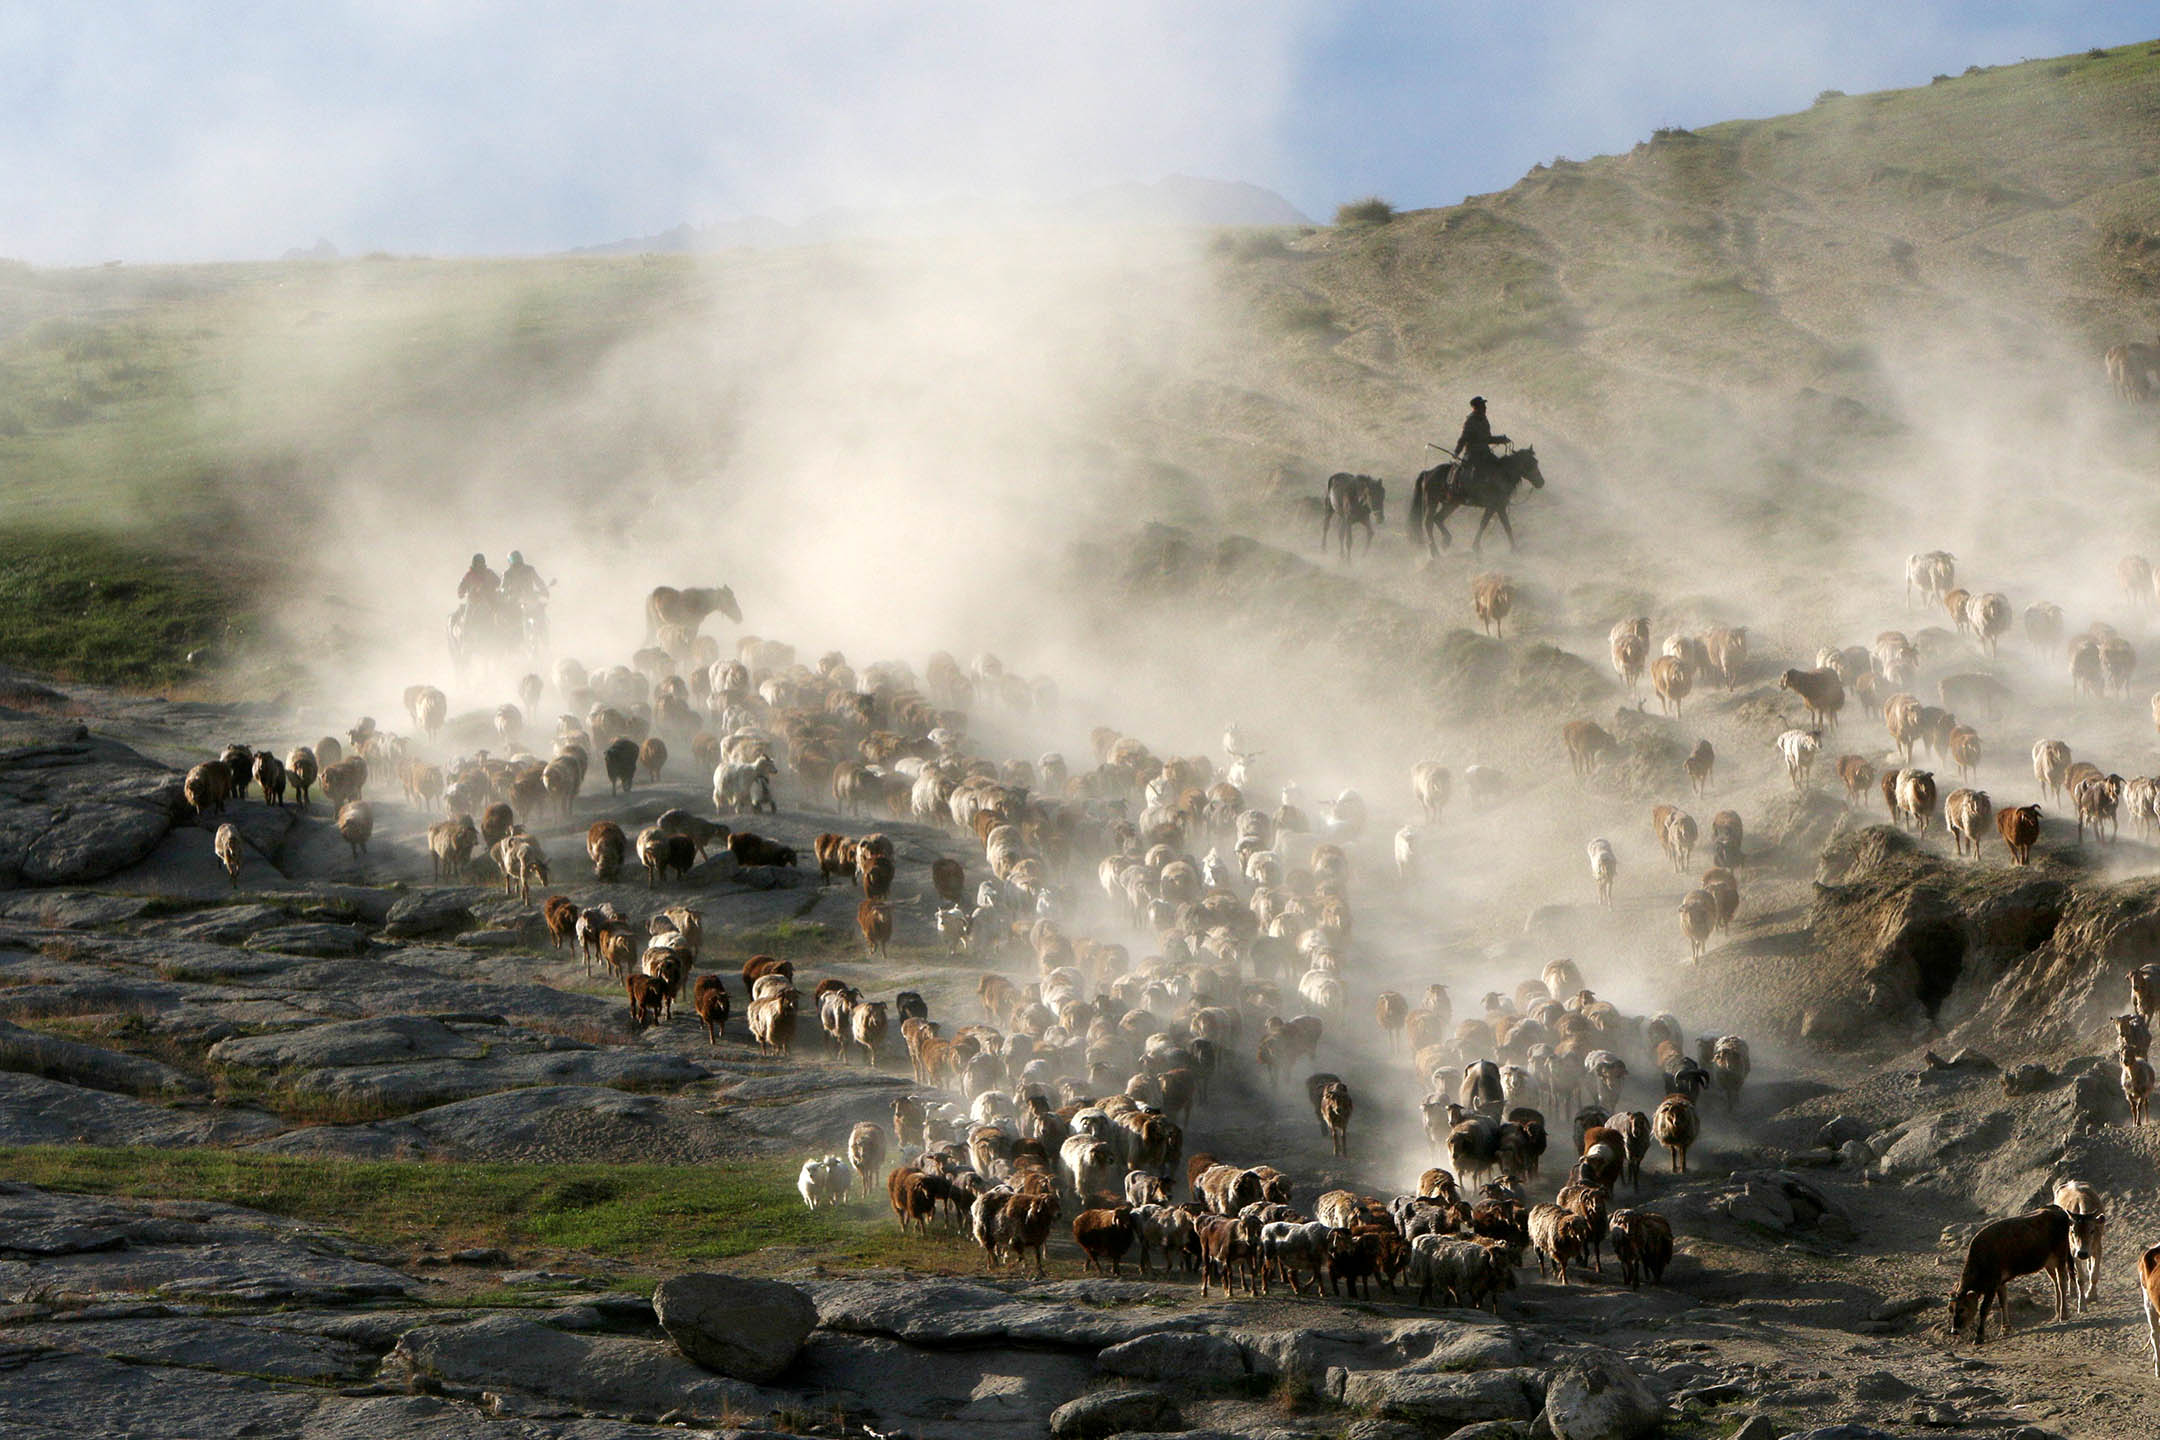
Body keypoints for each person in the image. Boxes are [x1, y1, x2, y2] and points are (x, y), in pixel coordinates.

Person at [1454, 396, 1510, 485]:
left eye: (1484, 405)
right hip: (1473, 455)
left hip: (1485, 454)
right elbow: (1463, 439)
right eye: (1483, 405)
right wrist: (1457, 452)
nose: (1485, 407)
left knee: (1500, 467)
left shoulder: (1484, 420)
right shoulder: (1470, 421)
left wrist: (1502, 439)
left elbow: (1487, 439)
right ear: (1476, 407)